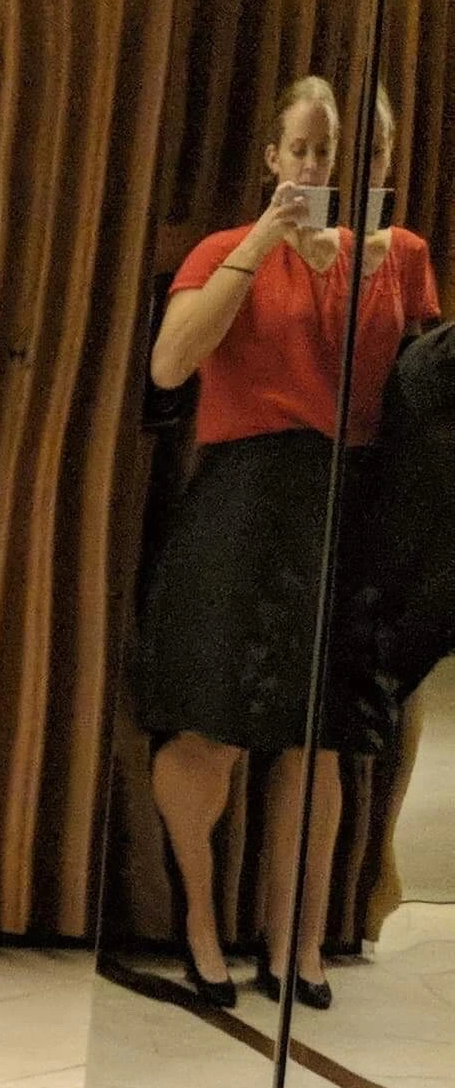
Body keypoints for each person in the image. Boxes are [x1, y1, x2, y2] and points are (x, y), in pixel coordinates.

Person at [139, 76, 437, 1011]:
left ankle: (297, 945)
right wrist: (267, 237)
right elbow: (169, 363)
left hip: (352, 504)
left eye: (348, 155)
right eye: (304, 150)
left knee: (321, 744)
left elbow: (425, 401)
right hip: (244, 497)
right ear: (273, 157)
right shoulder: (227, 249)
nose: (321, 168)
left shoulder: (401, 257)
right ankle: (197, 924)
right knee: (212, 729)